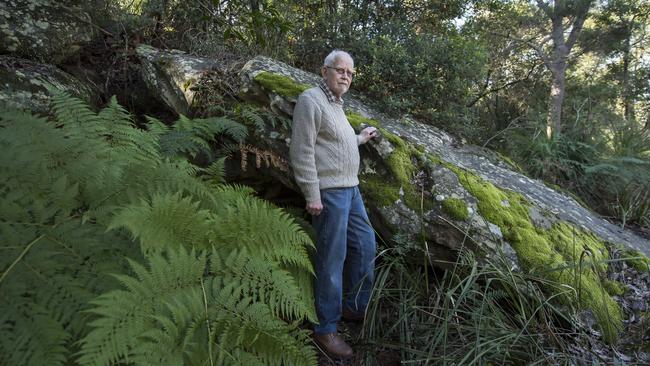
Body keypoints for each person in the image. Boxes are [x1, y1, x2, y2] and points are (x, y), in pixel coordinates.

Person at [290, 50, 378, 359]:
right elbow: (301, 150)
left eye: (350, 73)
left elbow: (336, 144)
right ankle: (324, 329)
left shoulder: (337, 105)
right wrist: (311, 193)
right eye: (340, 70)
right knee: (331, 261)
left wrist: (360, 139)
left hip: (351, 190)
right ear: (325, 71)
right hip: (329, 194)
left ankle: (352, 308)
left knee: (366, 246)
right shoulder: (311, 100)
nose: (345, 76)